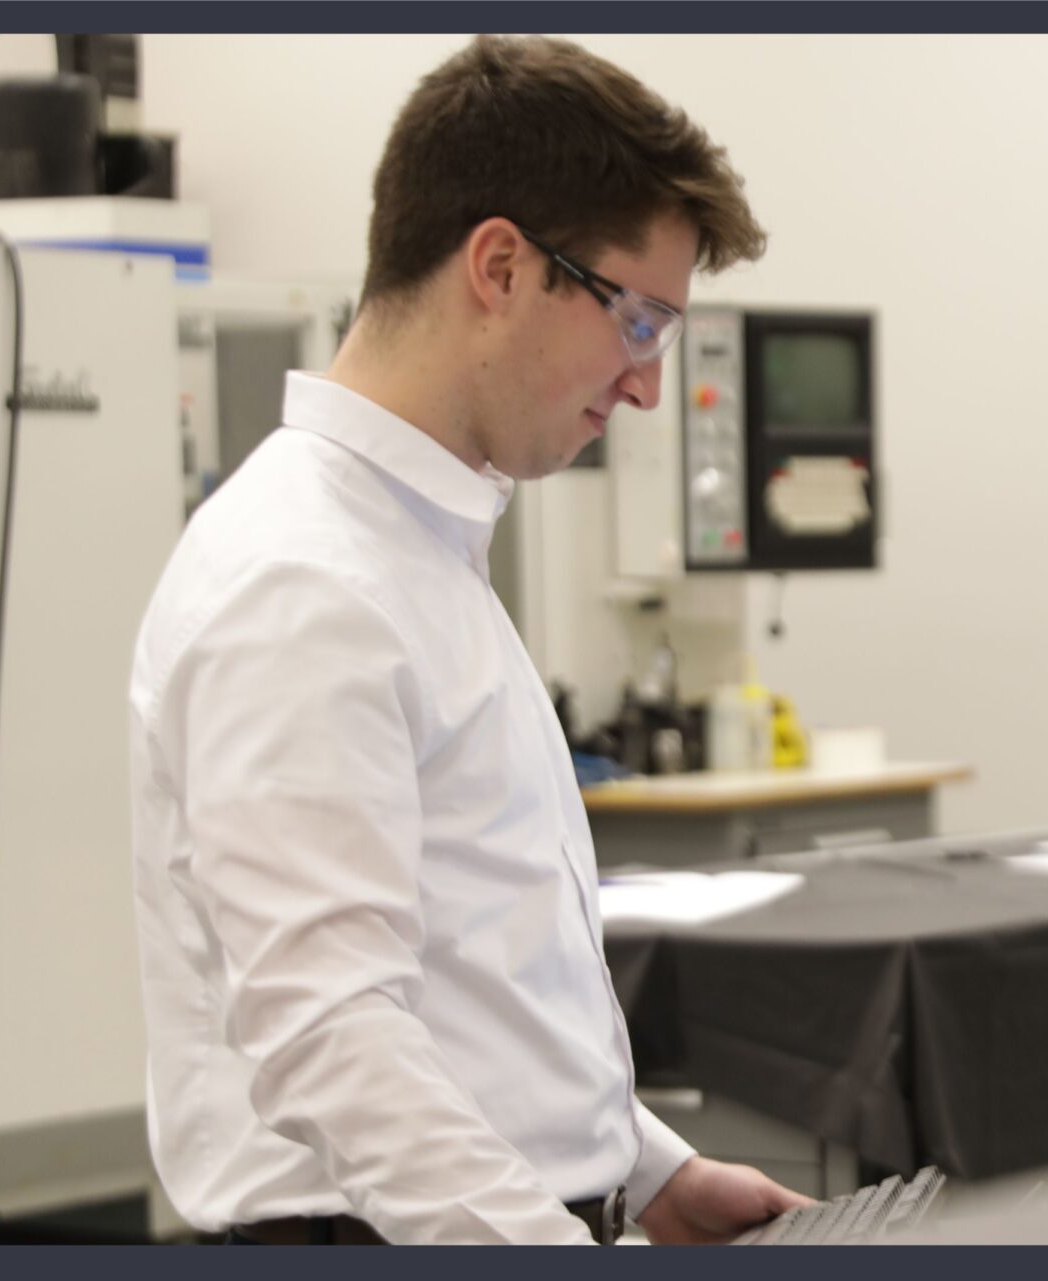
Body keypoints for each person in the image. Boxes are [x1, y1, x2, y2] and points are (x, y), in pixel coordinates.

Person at [126, 36, 805, 1245]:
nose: (647, 385)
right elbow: (332, 1040)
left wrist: (645, 1171)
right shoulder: (300, 578)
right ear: (500, 265)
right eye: (638, 321)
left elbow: (480, 980)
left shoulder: (413, 548)